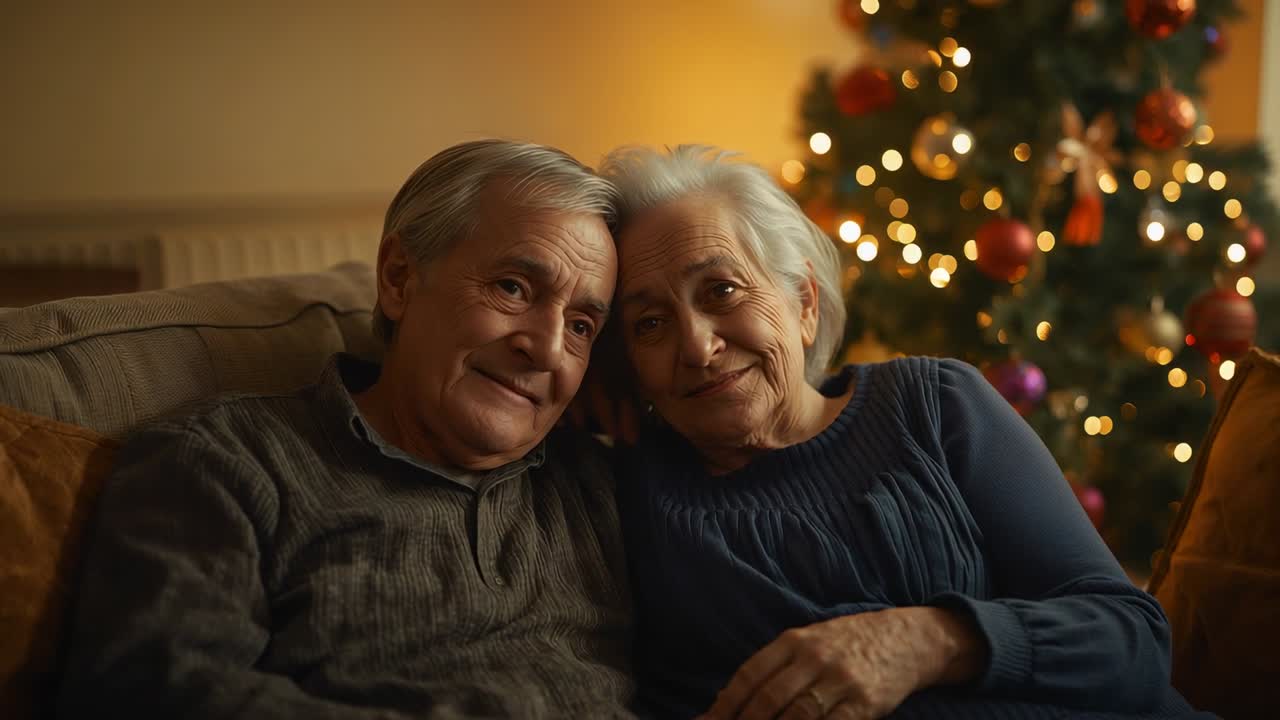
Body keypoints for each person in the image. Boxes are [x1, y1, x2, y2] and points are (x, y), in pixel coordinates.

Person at [597, 145, 1213, 719]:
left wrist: (925, 640)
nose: (698, 347)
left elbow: (1131, 638)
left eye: (722, 290)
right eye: (650, 324)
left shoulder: (934, 405)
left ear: (804, 304)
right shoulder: (625, 490)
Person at [56, 140, 636, 719]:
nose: (548, 350)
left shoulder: (598, 483)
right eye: (513, 288)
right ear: (399, 277)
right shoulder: (225, 461)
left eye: (582, 325)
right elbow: (156, 690)